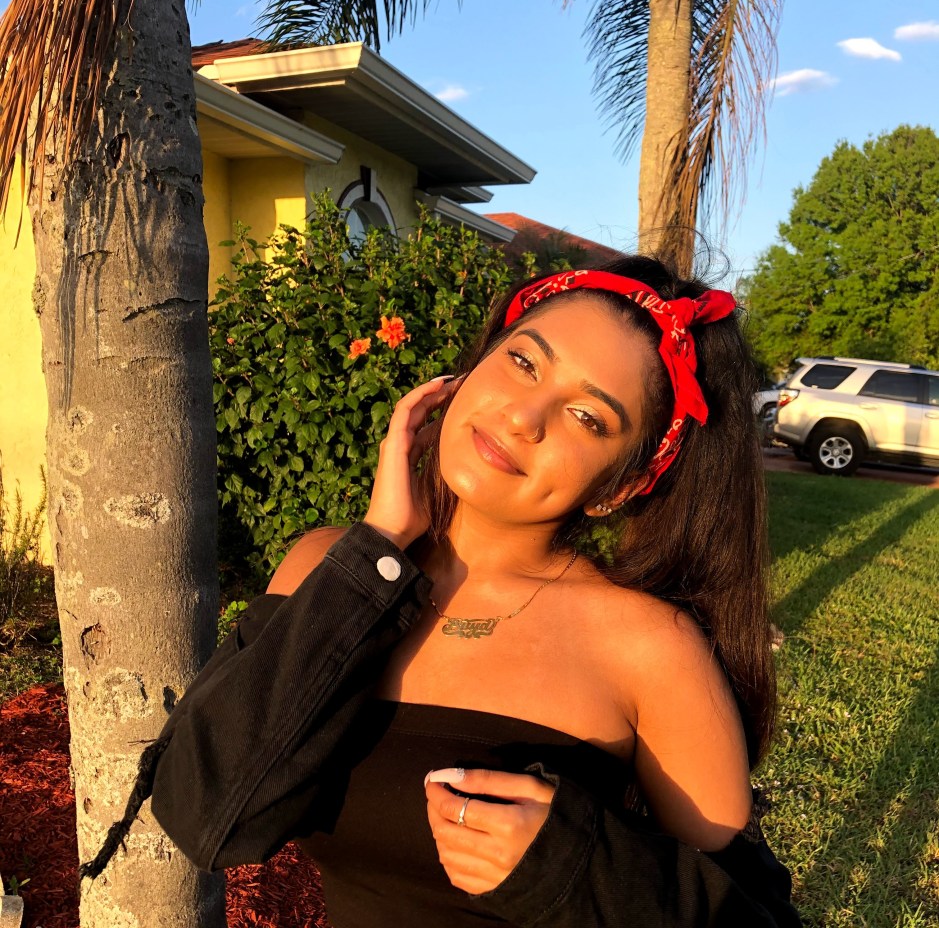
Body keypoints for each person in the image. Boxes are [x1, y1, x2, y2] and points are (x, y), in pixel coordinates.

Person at [82, 255, 802, 926]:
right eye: (523, 362)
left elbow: (753, 914)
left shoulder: (648, 647)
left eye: (587, 417)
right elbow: (209, 814)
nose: (523, 417)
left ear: (623, 486)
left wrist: (577, 866)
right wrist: (376, 551)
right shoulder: (326, 569)